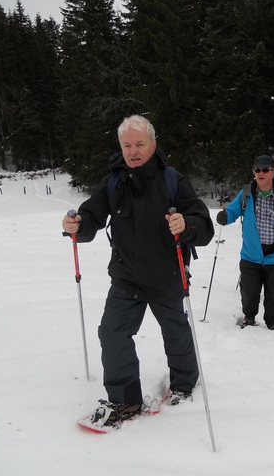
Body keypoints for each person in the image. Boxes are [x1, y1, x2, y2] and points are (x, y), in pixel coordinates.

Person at [61, 115, 214, 428]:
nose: (133, 150)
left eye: (139, 144)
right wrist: (76, 227)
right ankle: (125, 399)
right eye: (127, 144)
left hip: (167, 276)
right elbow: (90, 217)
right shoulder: (114, 182)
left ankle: (184, 385)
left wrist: (187, 225)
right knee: (112, 331)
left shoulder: (173, 180)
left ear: (153, 145)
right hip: (126, 277)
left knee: (176, 333)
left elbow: (205, 228)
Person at [216, 155, 274, 329]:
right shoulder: (246, 193)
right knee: (249, 291)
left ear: (273, 172)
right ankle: (249, 317)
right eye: (257, 169)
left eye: (265, 169)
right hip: (251, 253)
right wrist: (225, 216)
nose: (260, 173)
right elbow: (233, 211)